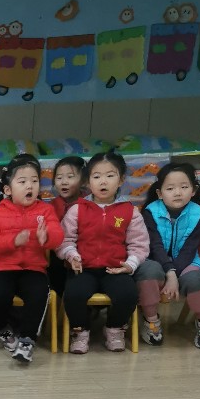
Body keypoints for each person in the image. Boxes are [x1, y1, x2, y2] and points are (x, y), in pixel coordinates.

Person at [58, 151, 149, 353]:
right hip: (84, 268)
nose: (103, 181)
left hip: (115, 269)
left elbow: (139, 244)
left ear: (121, 180)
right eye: (97, 176)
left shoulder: (130, 212)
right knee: (74, 294)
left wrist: (130, 264)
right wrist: (71, 255)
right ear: (88, 181)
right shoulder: (77, 209)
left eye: (110, 175)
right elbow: (64, 240)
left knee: (128, 294)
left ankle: (114, 329)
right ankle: (80, 332)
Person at [0, 156, 64, 364]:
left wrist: (47, 238)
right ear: (8, 190)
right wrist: (13, 241)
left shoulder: (45, 210)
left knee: (39, 293)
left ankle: (27, 339)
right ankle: (1, 329)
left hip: (32, 268)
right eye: (22, 181)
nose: (30, 186)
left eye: (34, 181)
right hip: (1, 267)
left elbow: (58, 235)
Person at [135, 163, 200, 349]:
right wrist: (170, 274)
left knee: (197, 279)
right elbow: (155, 246)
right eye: (170, 188)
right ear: (159, 193)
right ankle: (151, 320)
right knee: (148, 272)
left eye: (184, 187)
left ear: (193, 191)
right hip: (156, 260)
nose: (177, 193)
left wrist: (176, 275)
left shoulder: (196, 213)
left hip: (188, 261)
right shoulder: (150, 212)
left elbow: (190, 248)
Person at [47, 156, 85, 296]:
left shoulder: (89, 203)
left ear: (83, 180)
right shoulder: (51, 207)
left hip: (84, 254)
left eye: (70, 177)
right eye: (59, 178)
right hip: (59, 256)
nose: (64, 182)